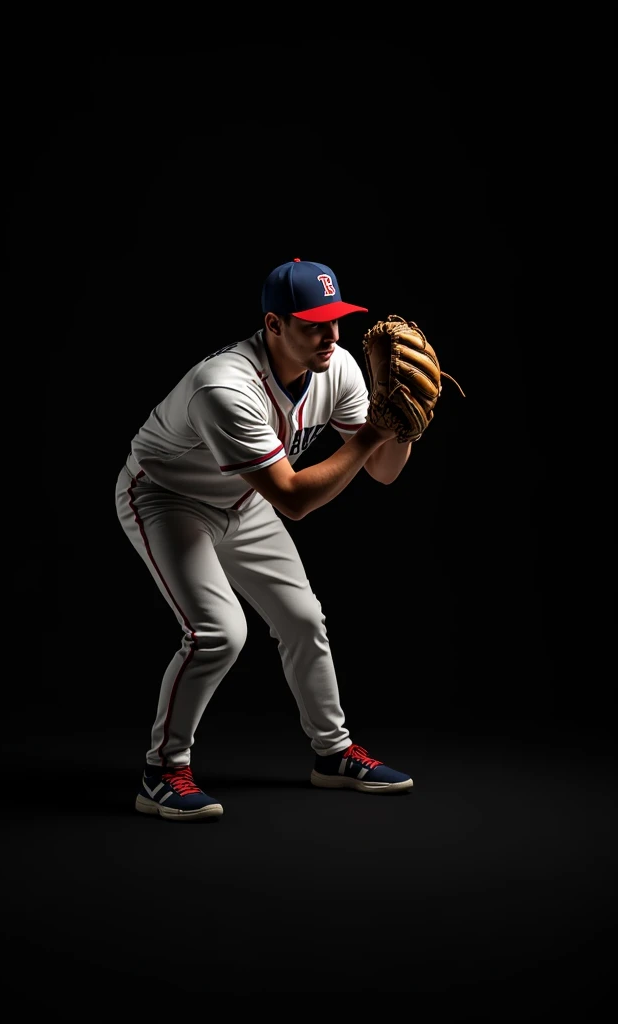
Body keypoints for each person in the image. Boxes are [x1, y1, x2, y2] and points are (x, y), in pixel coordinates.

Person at [115, 257, 415, 822]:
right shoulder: (224, 387)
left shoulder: (340, 367)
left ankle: (334, 755)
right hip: (166, 497)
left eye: (336, 320)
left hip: (244, 501)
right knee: (219, 633)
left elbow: (384, 472)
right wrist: (377, 428)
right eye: (313, 323)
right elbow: (295, 499)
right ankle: (162, 772)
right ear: (274, 324)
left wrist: (400, 426)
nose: (330, 335)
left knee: (304, 619)